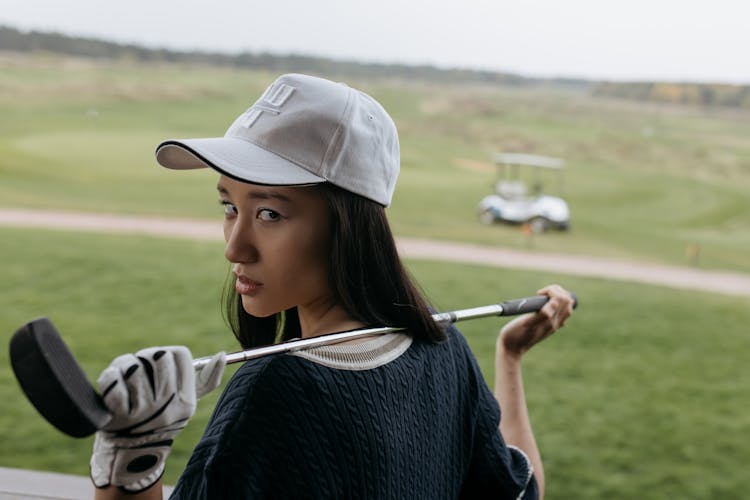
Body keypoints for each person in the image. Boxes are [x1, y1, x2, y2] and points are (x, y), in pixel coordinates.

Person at [90, 73, 575, 500]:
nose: (234, 248)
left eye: (269, 214)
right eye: (229, 207)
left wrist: (129, 462)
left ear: (349, 229)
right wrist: (508, 359)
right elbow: (522, 490)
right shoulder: (446, 350)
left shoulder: (272, 391)